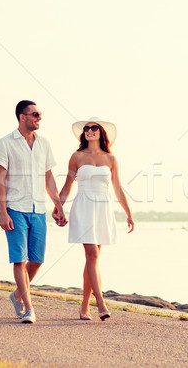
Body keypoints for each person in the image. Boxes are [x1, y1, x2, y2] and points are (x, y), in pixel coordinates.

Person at [0, 100, 67, 324]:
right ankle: (28, 308)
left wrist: (59, 205)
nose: (39, 118)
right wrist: (2, 213)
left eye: (40, 114)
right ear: (22, 117)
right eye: (35, 114)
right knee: (19, 259)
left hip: (38, 209)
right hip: (15, 208)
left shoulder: (44, 143)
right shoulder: (5, 143)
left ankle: (17, 294)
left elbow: (48, 177)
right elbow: (0, 180)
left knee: (36, 260)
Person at [57, 117, 134, 321]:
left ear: (101, 133)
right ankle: (100, 303)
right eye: (86, 128)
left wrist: (129, 213)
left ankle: (84, 308)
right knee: (91, 254)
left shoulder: (111, 159)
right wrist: (58, 207)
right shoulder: (76, 156)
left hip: (103, 208)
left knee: (93, 258)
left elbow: (117, 188)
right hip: (83, 206)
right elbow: (67, 186)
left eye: (93, 128)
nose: (89, 130)